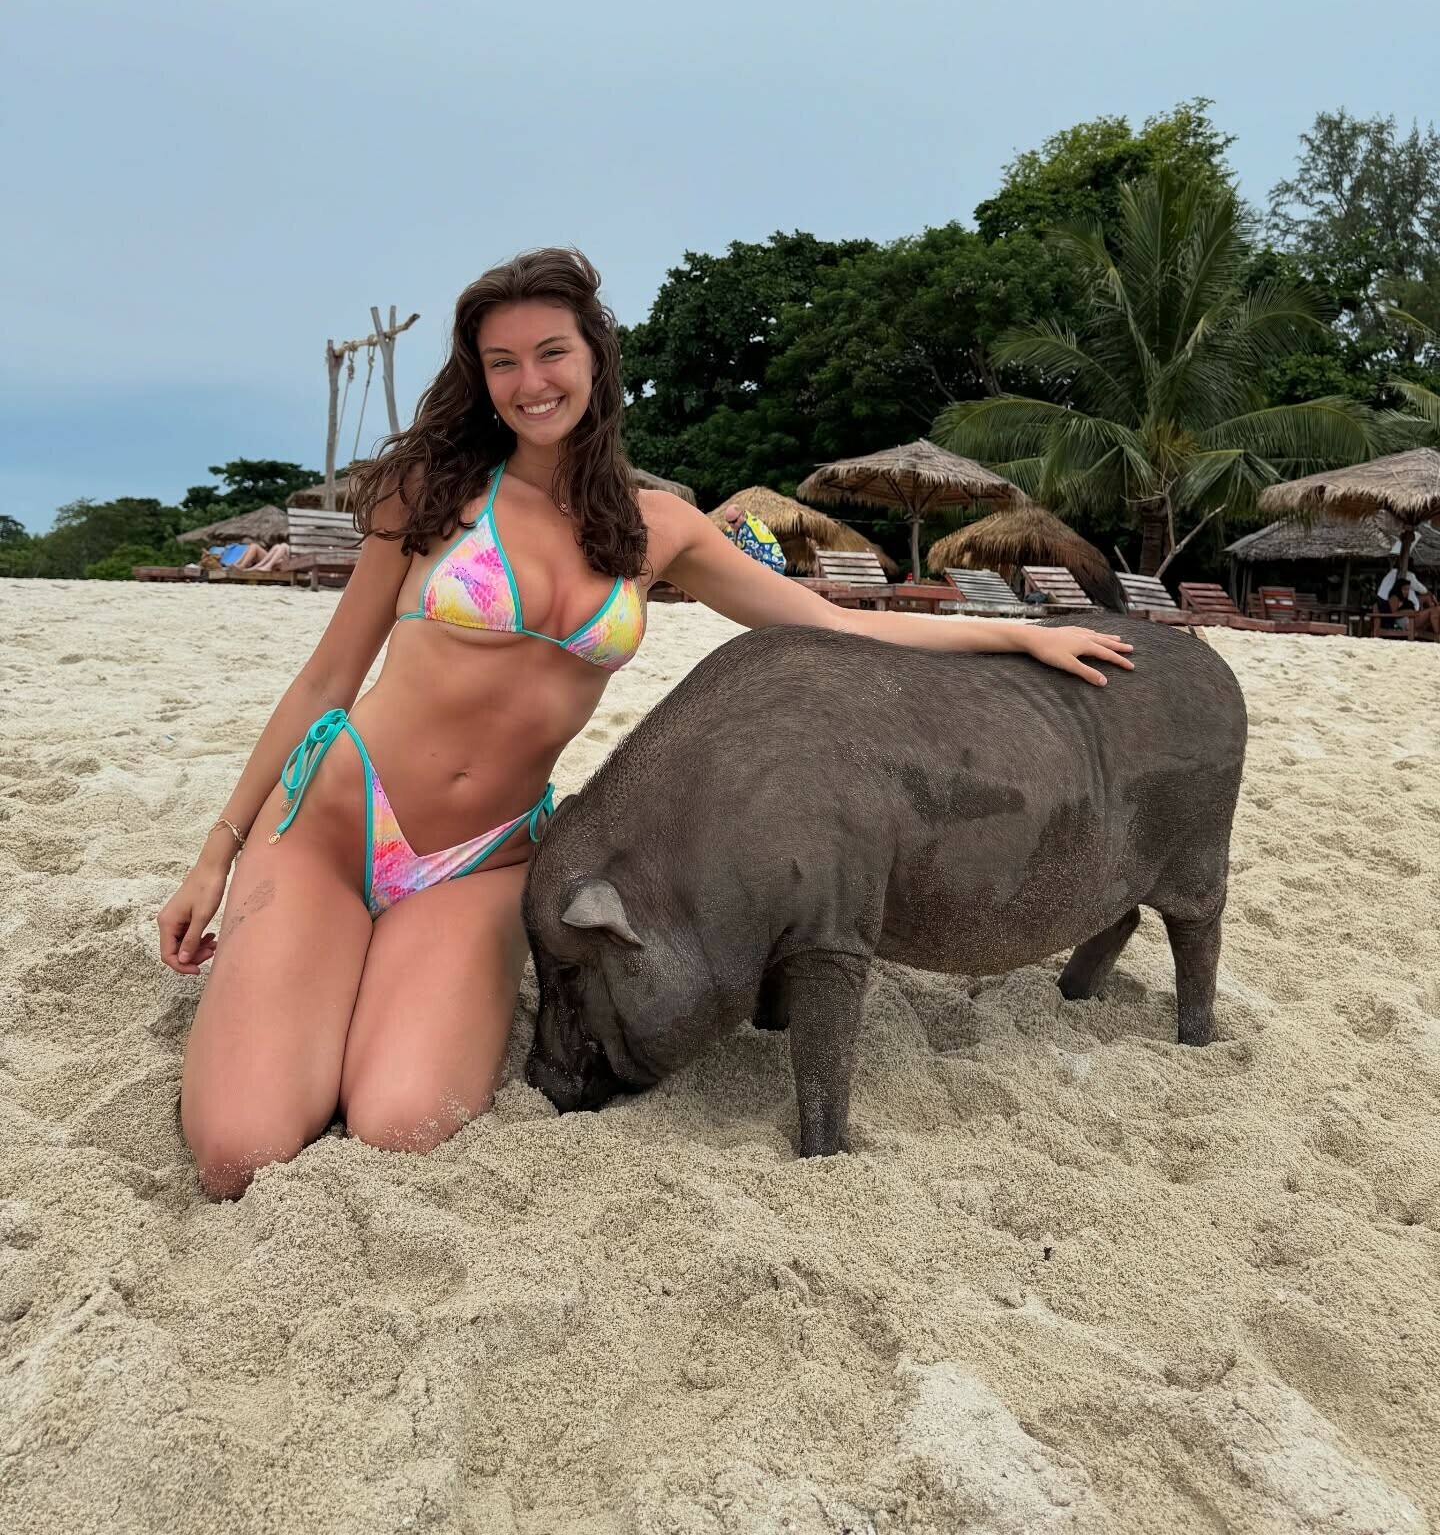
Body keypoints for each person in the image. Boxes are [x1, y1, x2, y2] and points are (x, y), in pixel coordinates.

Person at [159, 248, 1133, 1200]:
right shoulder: (430, 494)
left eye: (552, 352)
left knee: (400, 1126)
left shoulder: (657, 528)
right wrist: (216, 856)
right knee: (239, 1153)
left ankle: (355, 984)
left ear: (595, 359)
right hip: (335, 826)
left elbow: (832, 626)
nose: (530, 382)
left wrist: (1015, 634)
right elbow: (326, 680)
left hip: (480, 860)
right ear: (480, 377)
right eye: (502, 362)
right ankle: (310, 965)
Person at [722, 503, 787, 575]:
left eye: (734, 521)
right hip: (759, 566)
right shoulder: (731, 529)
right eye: (728, 522)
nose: (731, 525)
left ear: (743, 514)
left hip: (773, 566)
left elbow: (750, 556)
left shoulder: (753, 526)